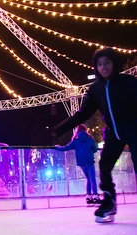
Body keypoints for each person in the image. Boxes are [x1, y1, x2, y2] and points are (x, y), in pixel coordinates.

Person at [53, 47, 137, 223]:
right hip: (114, 133)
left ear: (114, 63)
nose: (103, 67)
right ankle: (109, 203)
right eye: (99, 64)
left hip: (133, 129)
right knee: (105, 165)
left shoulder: (128, 82)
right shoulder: (96, 88)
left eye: (107, 62)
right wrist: (61, 128)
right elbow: (83, 114)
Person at [55, 124, 100, 204]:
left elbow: (66, 148)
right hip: (89, 160)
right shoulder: (89, 139)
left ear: (77, 131)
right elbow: (95, 149)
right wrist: (90, 151)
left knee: (88, 178)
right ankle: (95, 196)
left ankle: (88, 196)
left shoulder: (75, 140)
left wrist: (58, 147)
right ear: (85, 130)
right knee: (92, 178)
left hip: (81, 162)